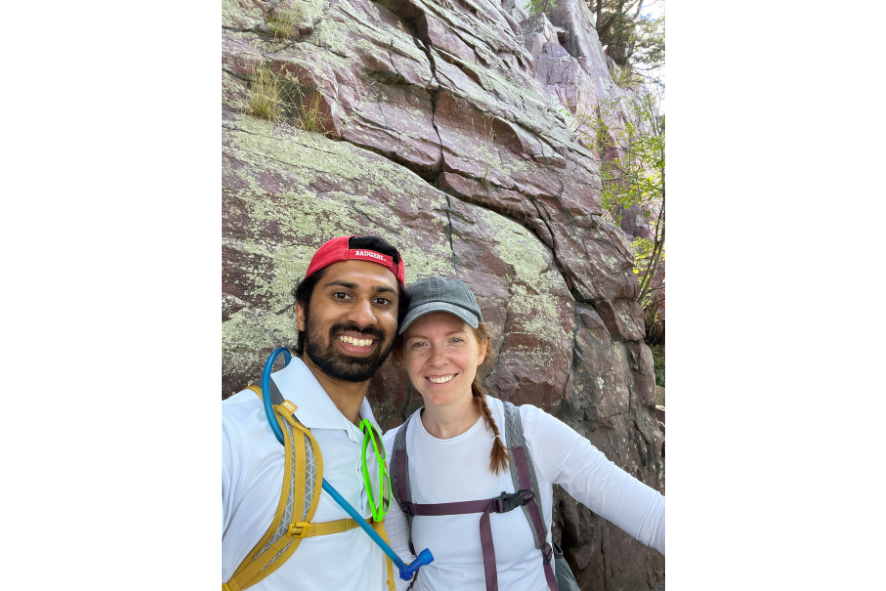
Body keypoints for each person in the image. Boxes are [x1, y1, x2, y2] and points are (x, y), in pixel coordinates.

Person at [383, 276, 665, 591]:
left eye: (455, 339)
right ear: (401, 356)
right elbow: (397, 566)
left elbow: (652, 518)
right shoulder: (389, 453)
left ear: (481, 348)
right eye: (420, 343)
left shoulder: (531, 433)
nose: (438, 358)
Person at [222, 235, 410, 591]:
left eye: (382, 301)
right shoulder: (232, 433)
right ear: (301, 313)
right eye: (342, 295)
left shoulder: (372, 438)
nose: (364, 316)